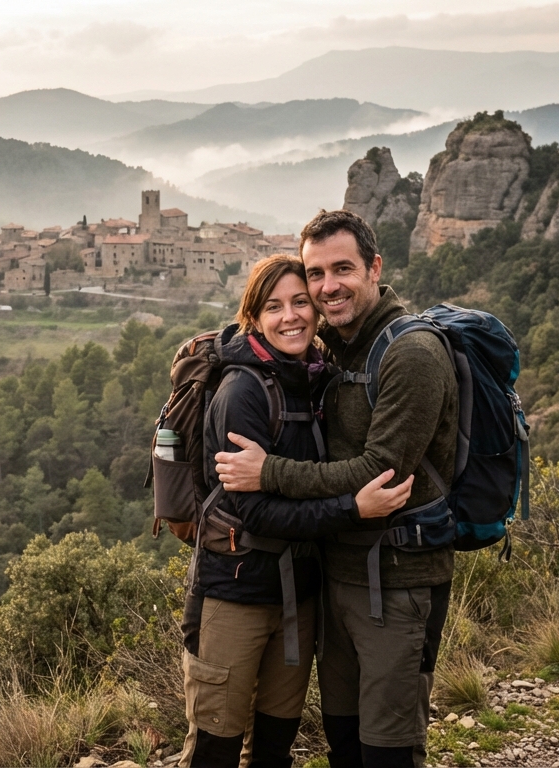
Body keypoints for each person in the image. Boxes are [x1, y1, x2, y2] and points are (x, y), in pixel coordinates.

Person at [215, 211, 458, 768]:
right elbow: (272, 329)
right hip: (337, 579)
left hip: (398, 583)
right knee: (345, 745)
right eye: (316, 273)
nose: (327, 287)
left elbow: (381, 470)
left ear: (374, 268)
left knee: (388, 752)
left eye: (342, 269)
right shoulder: (337, 344)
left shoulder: (411, 354)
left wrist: (269, 471)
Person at [181, 254, 413, 768]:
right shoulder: (242, 391)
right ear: (254, 318)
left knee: (274, 747)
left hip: (299, 599)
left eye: (300, 303)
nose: (291, 317)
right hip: (235, 592)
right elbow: (258, 513)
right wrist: (353, 508)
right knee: (214, 750)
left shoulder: (315, 379)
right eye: (274, 307)